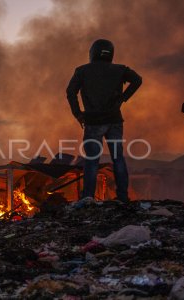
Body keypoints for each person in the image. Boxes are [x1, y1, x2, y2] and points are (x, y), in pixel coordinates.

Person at [66, 39, 142, 202]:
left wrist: (78, 114)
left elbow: (70, 92)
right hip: (114, 120)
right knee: (118, 158)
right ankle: (122, 197)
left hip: (93, 121)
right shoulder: (120, 69)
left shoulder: (82, 71)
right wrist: (123, 98)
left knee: (92, 160)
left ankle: (88, 198)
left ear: (92, 53)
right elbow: (137, 80)